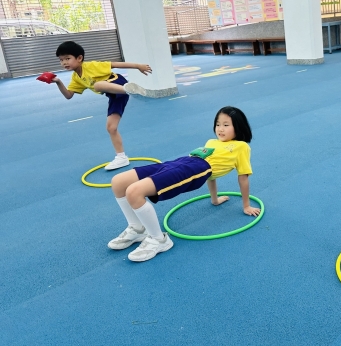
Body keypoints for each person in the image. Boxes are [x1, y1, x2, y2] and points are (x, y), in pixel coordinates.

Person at [107, 106, 261, 262]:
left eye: (226, 125)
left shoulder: (242, 147)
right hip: (183, 161)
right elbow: (212, 178)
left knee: (134, 192)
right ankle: (137, 228)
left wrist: (246, 206)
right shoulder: (211, 142)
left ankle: (159, 240)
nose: (220, 129)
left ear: (238, 127)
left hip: (196, 169)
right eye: (218, 124)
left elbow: (242, 177)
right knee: (118, 182)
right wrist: (214, 199)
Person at [51, 41, 151, 170]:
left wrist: (138, 66)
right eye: (61, 60)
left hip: (117, 82)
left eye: (67, 58)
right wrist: (58, 82)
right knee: (111, 127)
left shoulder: (91, 66)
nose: (64, 62)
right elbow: (68, 95)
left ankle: (129, 89)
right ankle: (121, 157)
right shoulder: (76, 77)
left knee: (97, 85)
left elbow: (114, 64)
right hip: (114, 94)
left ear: (79, 58)